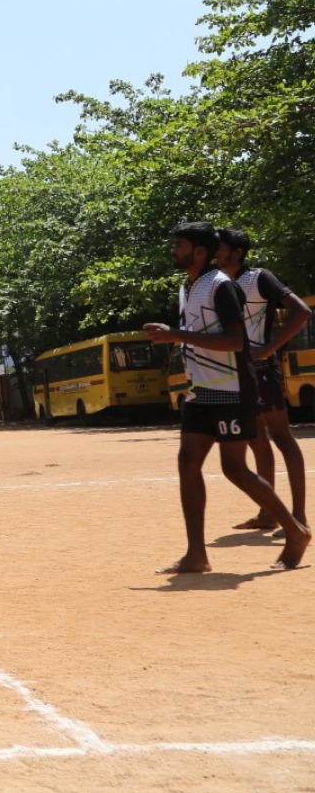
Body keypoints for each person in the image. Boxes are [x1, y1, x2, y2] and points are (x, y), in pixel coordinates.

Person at [144, 221, 309, 573]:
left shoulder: (221, 287)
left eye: (180, 245)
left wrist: (176, 334)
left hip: (231, 388)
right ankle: (196, 555)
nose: (173, 250)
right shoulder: (189, 287)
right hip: (200, 389)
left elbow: (237, 342)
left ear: (199, 252)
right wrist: (177, 336)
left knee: (235, 469)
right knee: (188, 463)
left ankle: (295, 531)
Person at [214, 227, 311, 533]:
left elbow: (302, 311)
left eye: (221, 247)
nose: (216, 252)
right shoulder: (218, 283)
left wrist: (269, 348)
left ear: (237, 252)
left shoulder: (259, 278)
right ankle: (268, 513)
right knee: (256, 442)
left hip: (262, 369)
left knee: (282, 437)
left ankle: (299, 515)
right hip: (236, 371)